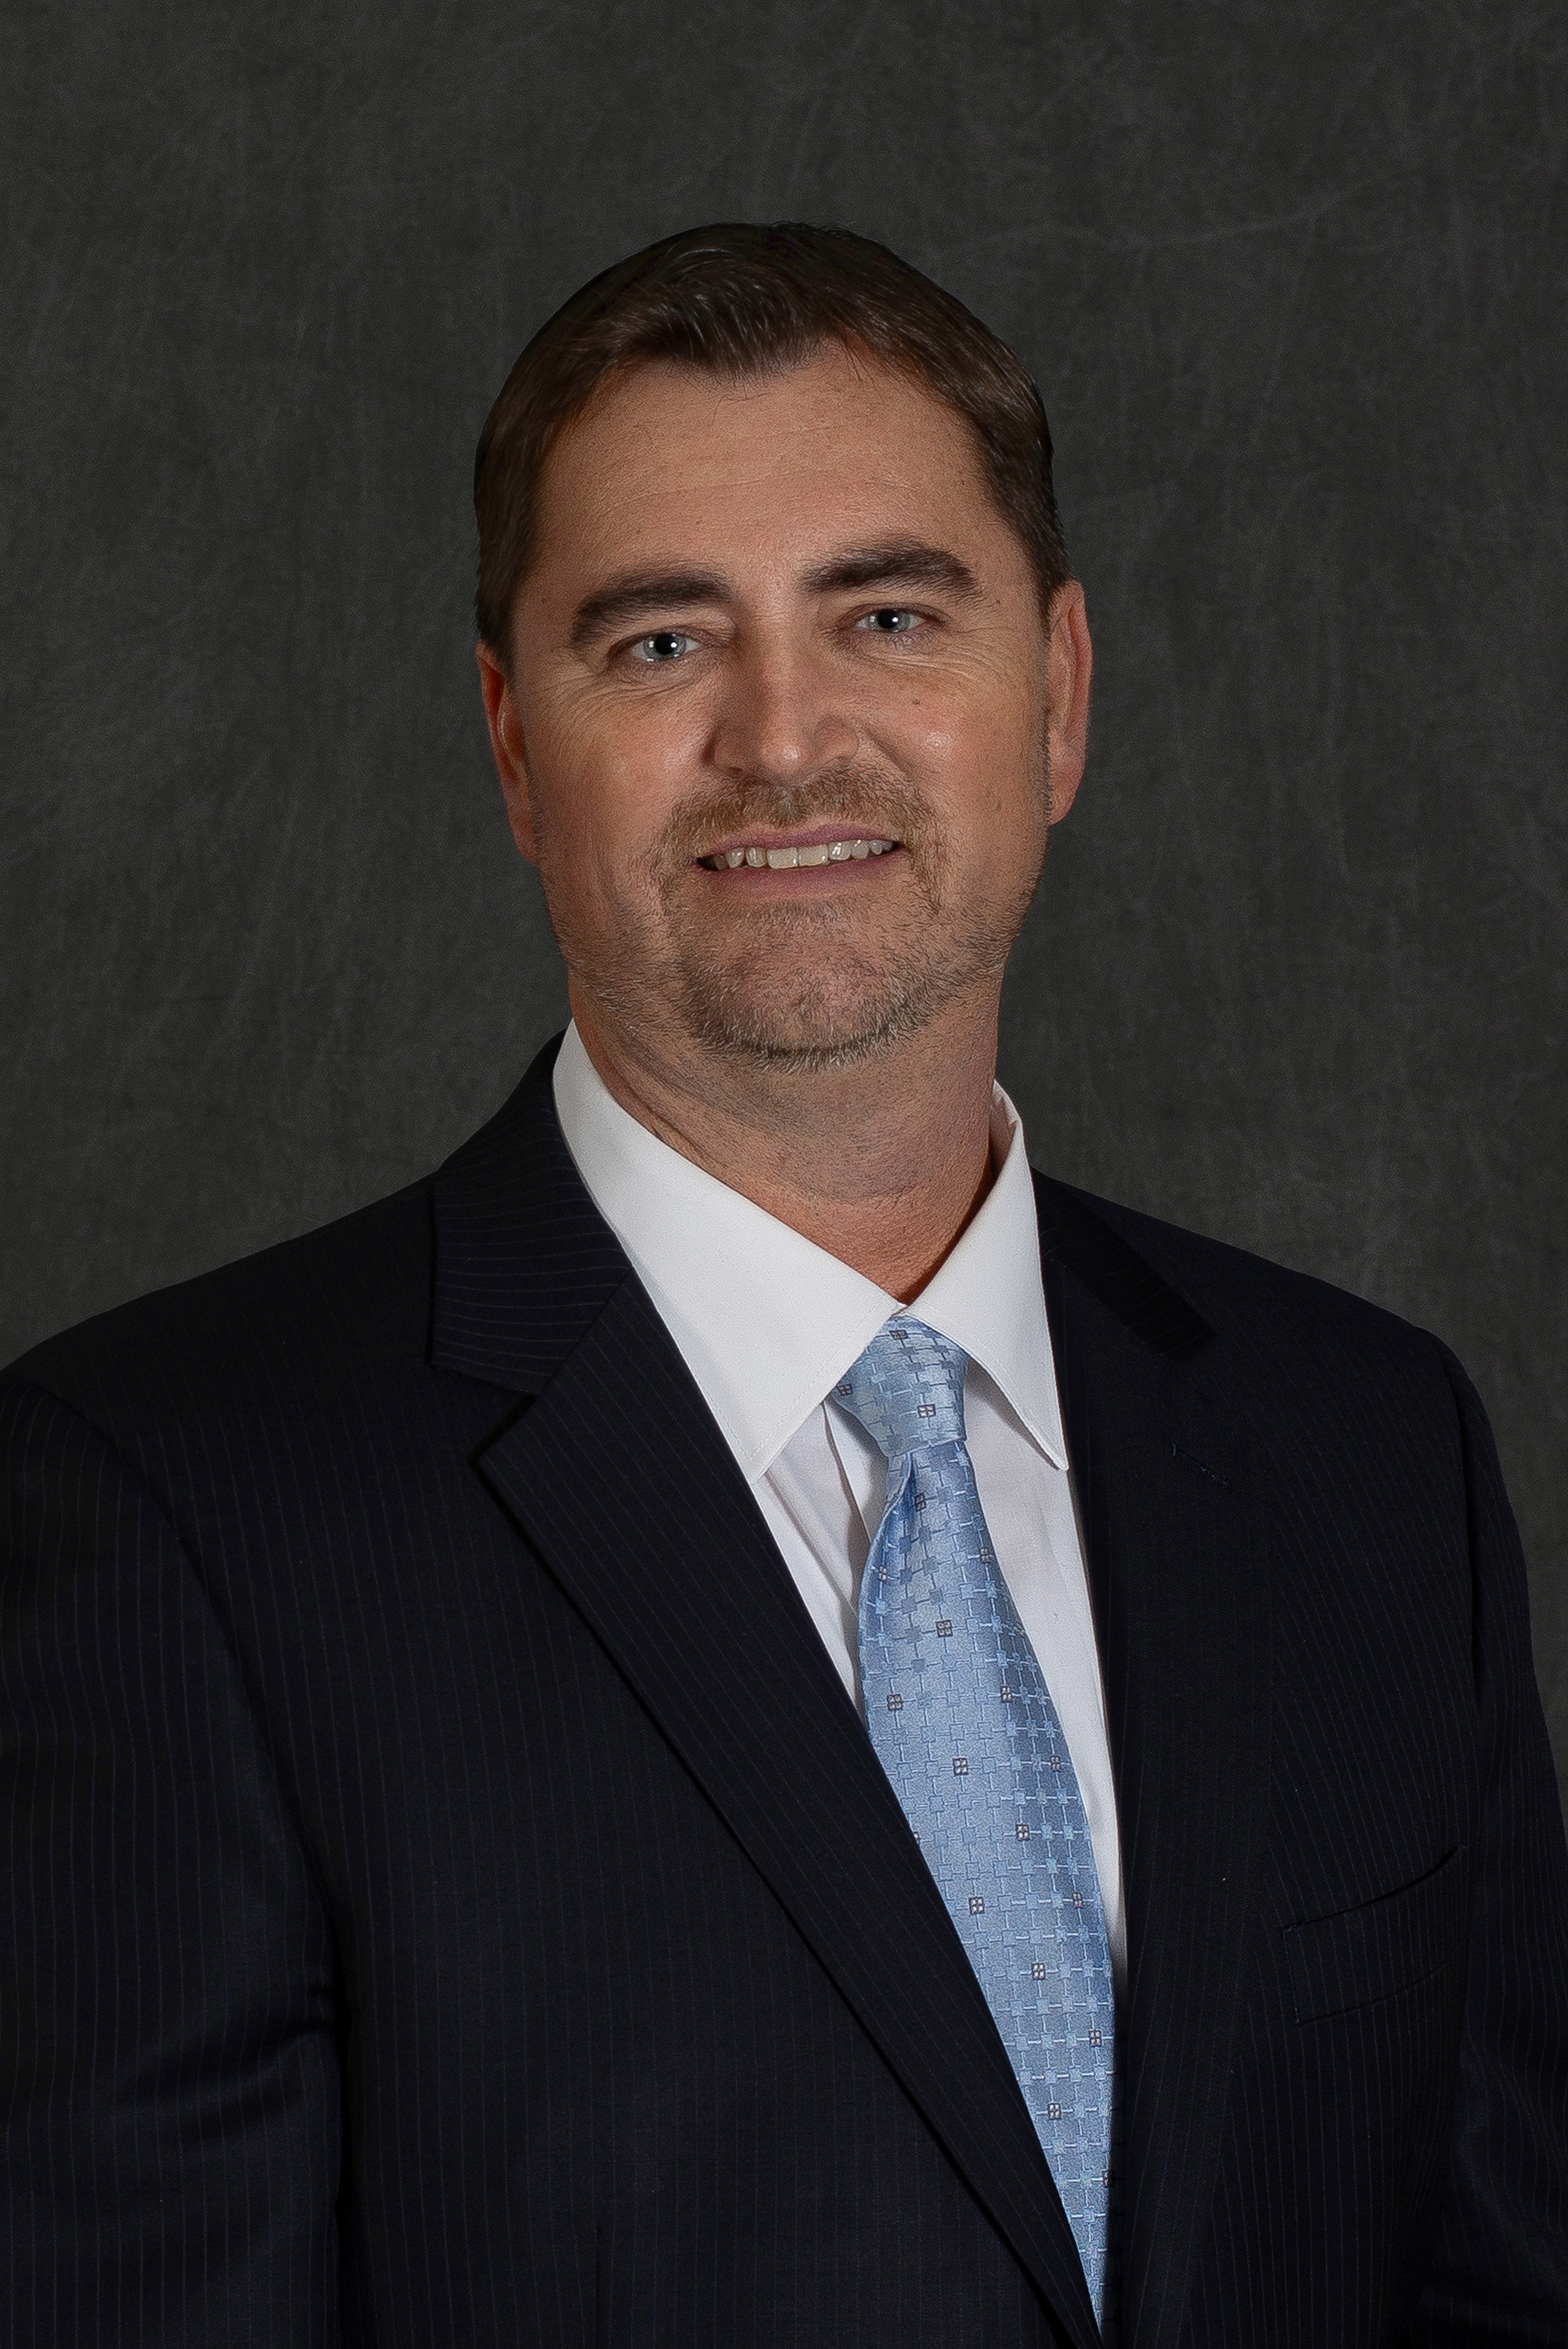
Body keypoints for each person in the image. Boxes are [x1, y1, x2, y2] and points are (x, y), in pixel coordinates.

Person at [2, 221, 1565, 2348]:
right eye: (661, 642)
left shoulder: (1370, 1447)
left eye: (889, 615)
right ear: (513, 747)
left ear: (1059, 693)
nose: (783, 736)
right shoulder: (163, 1514)